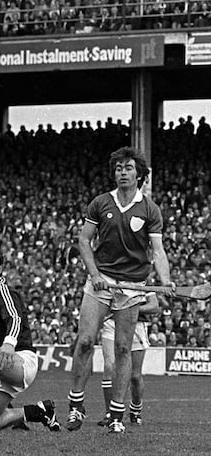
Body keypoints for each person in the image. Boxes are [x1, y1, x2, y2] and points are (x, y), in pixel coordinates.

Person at [65, 146, 174, 433]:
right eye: (118, 168)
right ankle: (76, 406)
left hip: (132, 286)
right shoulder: (100, 203)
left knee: (124, 348)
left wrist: (166, 280)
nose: (122, 173)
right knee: (85, 341)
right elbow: (84, 240)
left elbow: (158, 251)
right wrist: (95, 274)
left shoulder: (150, 209)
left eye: (128, 168)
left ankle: (116, 414)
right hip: (101, 282)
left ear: (140, 175)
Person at [0, 243, 60, 432]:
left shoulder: (3, 291)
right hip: (5, 364)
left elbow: (15, 318)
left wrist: (8, 344)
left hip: (20, 360)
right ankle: (39, 411)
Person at [94, 292, 161, 427]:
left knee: (135, 376)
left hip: (136, 324)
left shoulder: (141, 276)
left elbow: (154, 306)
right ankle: (110, 414)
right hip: (112, 323)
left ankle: (135, 410)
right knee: (109, 366)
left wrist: (131, 309)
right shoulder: (109, 275)